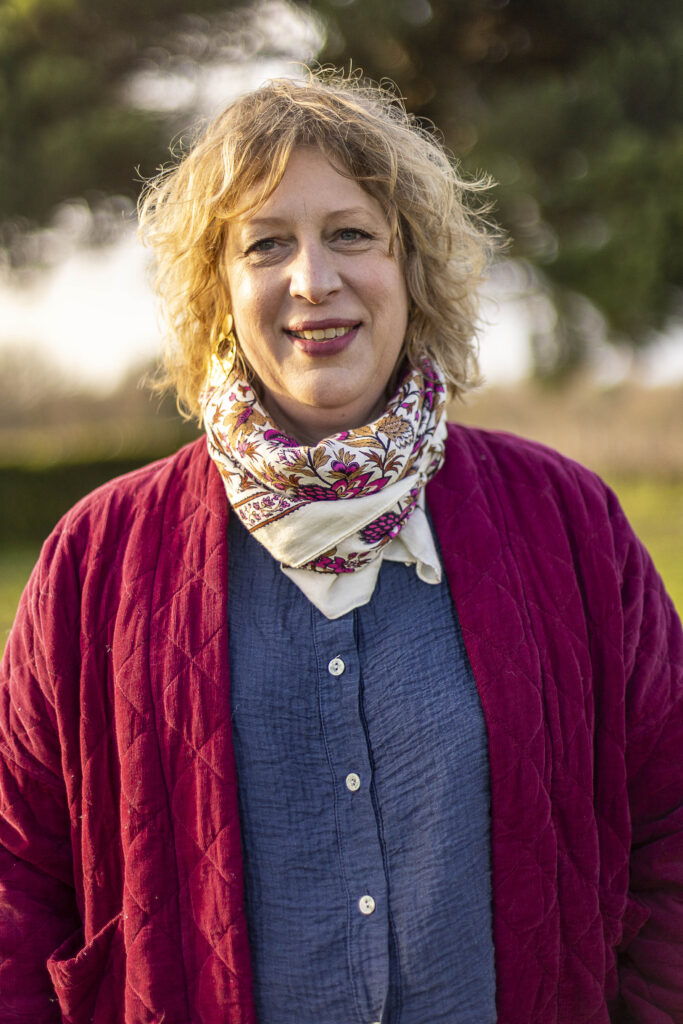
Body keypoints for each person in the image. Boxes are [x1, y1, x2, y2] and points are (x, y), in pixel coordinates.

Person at [0, 71, 682, 1024]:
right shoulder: (96, 559)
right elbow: (18, 877)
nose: (312, 280)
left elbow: (669, 825)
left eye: (352, 234)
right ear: (217, 289)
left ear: (412, 265)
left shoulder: (569, 524)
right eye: (265, 244)